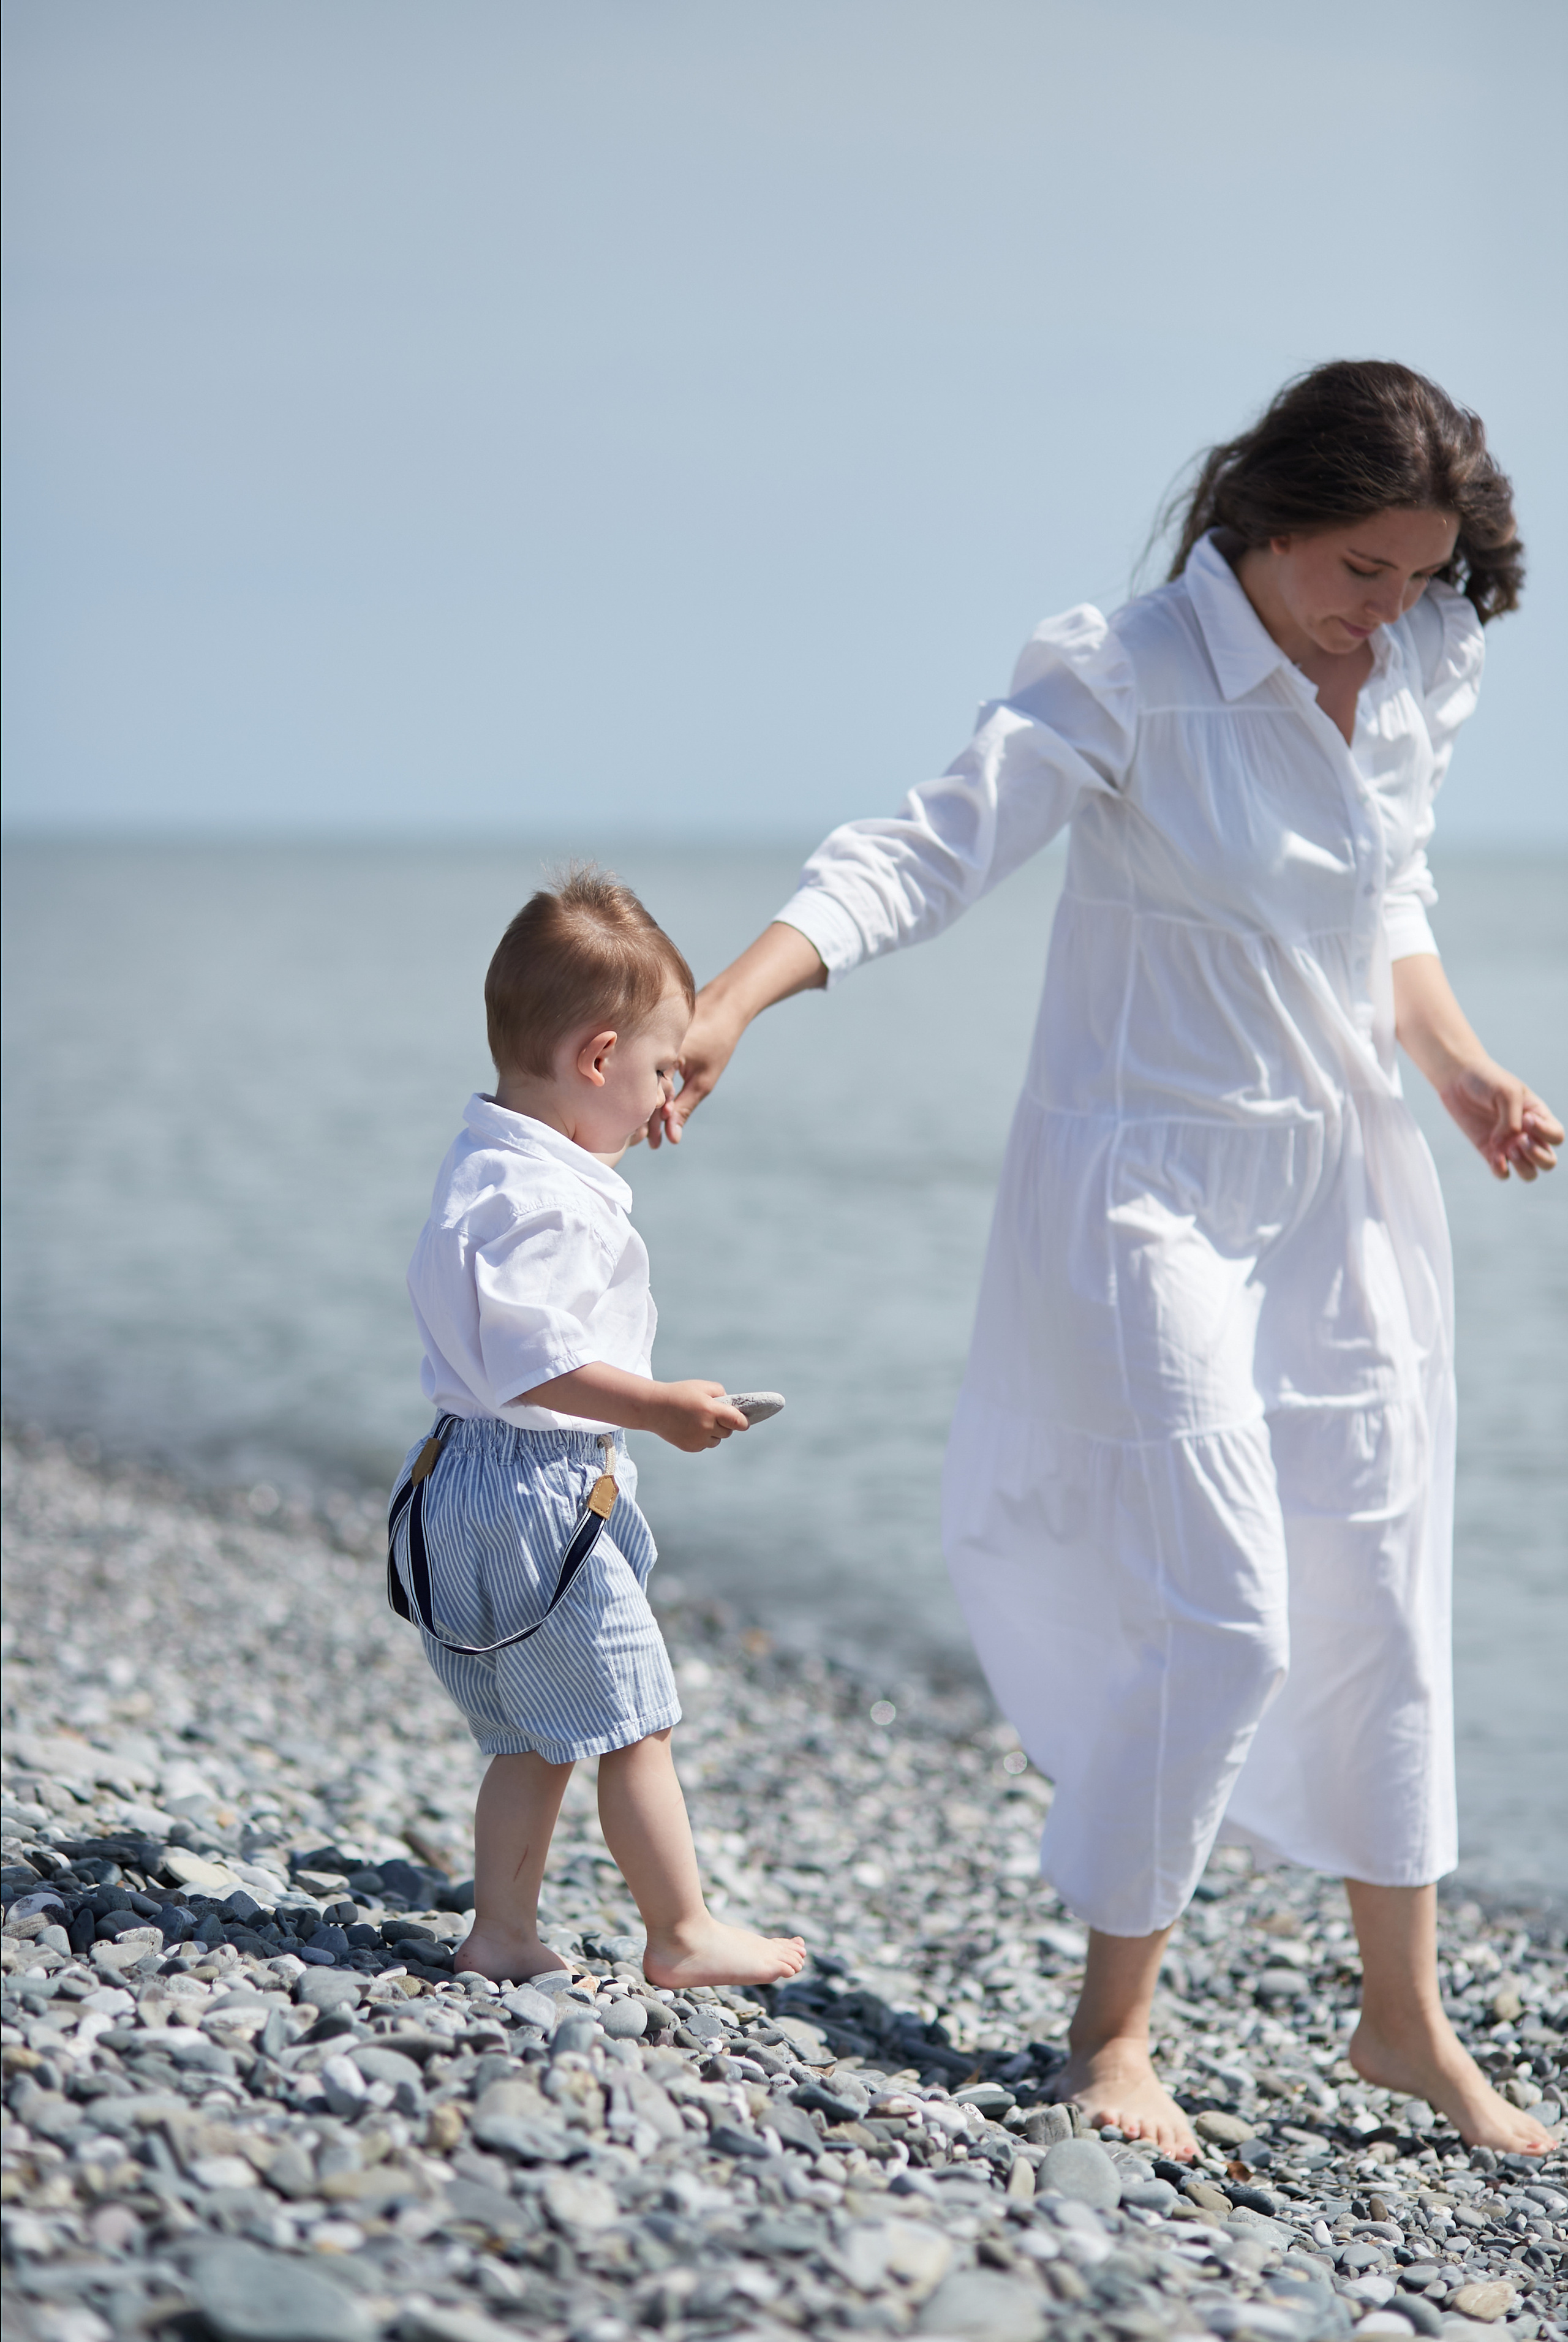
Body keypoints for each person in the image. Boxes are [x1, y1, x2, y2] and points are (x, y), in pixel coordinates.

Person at [649, 362, 1561, 2156]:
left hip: (1351, 1194)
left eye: (1421, 575)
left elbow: (1388, 902)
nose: (1392, 613)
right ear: (1268, 521)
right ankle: (1111, 2037)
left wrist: (1455, 1069)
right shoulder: (1131, 670)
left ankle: (1408, 2027)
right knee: (1225, 1612)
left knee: (1384, 1600)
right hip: (1147, 1188)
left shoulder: (1421, 662)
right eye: (1363, 569)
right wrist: (733, 1002)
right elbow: (928, 847)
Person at [394, 868, 805, 1991]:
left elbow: (518, 1324)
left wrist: (627, 1113)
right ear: (596, 1058)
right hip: (538, 1489)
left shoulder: (493, 1161)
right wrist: (663, 1409)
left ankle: (503, 1933)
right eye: (661, 1069)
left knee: (532, 1733)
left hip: (458, 1478)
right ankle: (680, 1930)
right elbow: (544, 1361)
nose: (670, 1095)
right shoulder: (551, 1205)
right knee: (636, 1720)